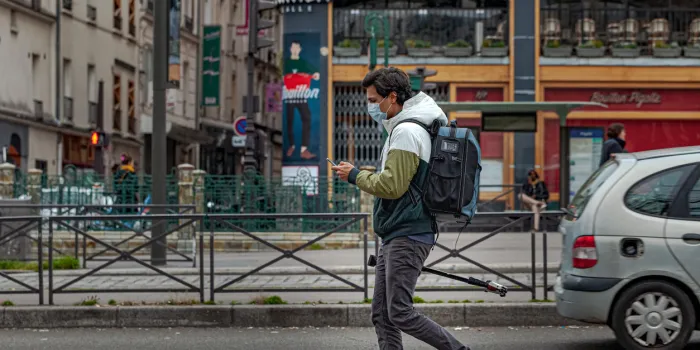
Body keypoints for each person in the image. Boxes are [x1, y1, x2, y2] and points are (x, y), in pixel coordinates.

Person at [332, 67, 468, 350]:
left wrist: (356, 175)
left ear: (391, 97)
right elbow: (403, 180)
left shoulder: (406, 131)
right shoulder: (406, 127)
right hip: (399, 232)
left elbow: (393, 186)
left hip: (409, 233)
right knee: (382, 314)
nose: (370, 106)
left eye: (373, 100)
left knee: (400, 312)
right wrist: (363, 173)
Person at [283, 40, 319, 160]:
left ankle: (304, 149)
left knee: (307, 117)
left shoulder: (303, 63)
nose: (295, 49)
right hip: (289, 95)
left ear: (299, 50)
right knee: (290, 120)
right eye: (293, 47)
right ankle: (291, 145)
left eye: (297, 48)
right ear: (290, 49)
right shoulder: (286, 63)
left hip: (301, 95)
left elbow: (315, 72)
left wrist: (315, 74)